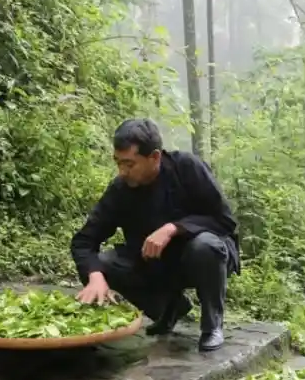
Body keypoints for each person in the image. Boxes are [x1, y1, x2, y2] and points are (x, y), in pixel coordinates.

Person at [71, 118, 240, 352]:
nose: (122, 171)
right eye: (118, 163)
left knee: (204, 246)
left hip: (204, 256)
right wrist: (95, 274)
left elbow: (225, 221)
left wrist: (174, 228)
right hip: (157, 262)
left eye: (130, 164)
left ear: (155, 157)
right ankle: (169, 308)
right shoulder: (120, 190)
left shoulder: (186, 168)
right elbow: (84, 241)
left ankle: (212, 325)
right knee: (104, 263)